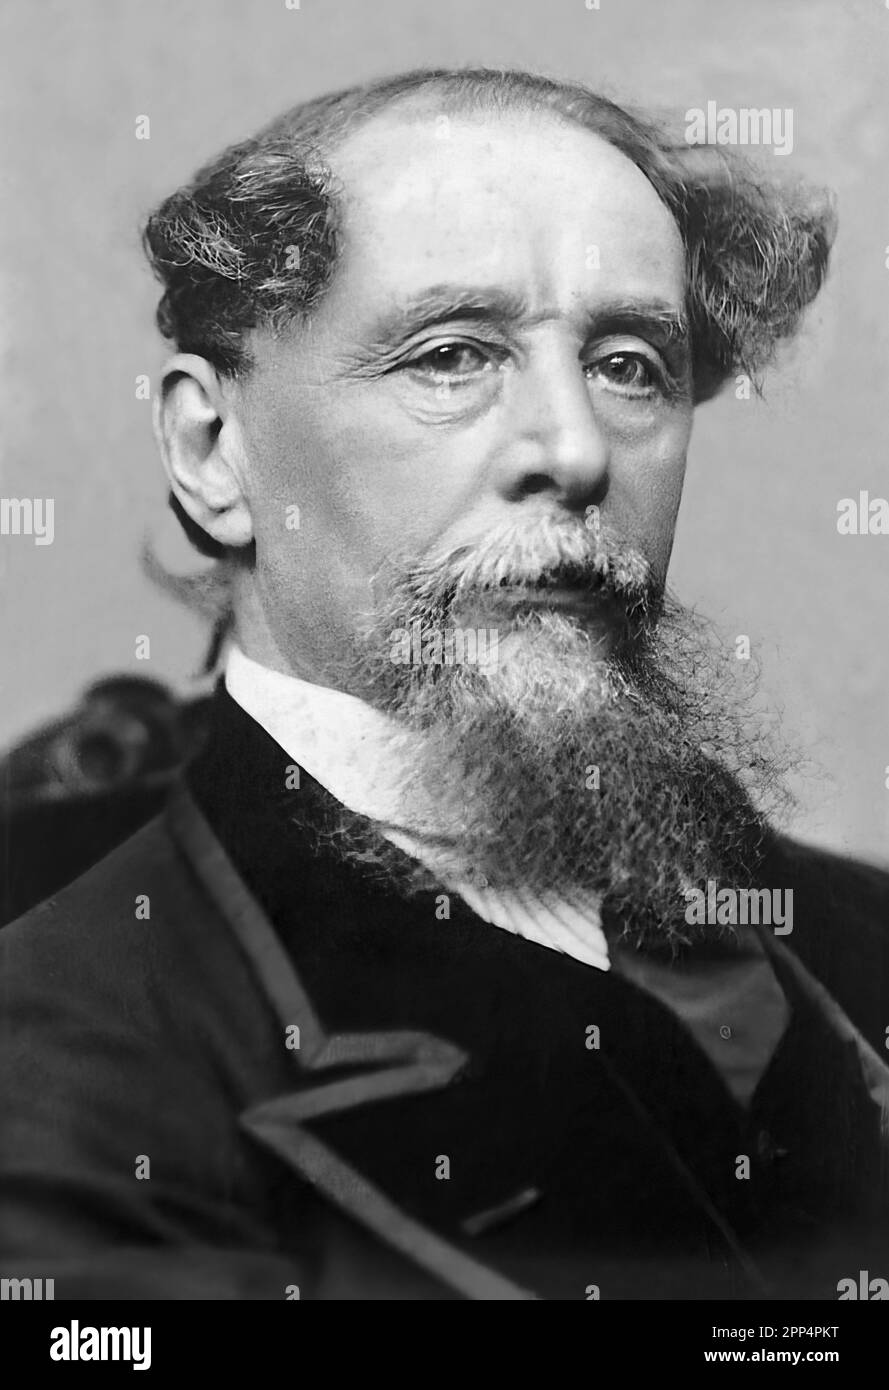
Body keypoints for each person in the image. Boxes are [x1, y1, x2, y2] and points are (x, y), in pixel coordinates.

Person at [2, 67, 887, 1302]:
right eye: (453, 355)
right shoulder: (65, 1057)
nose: (573, 450)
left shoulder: (857, 938)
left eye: (630, 364)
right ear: (212, 451)